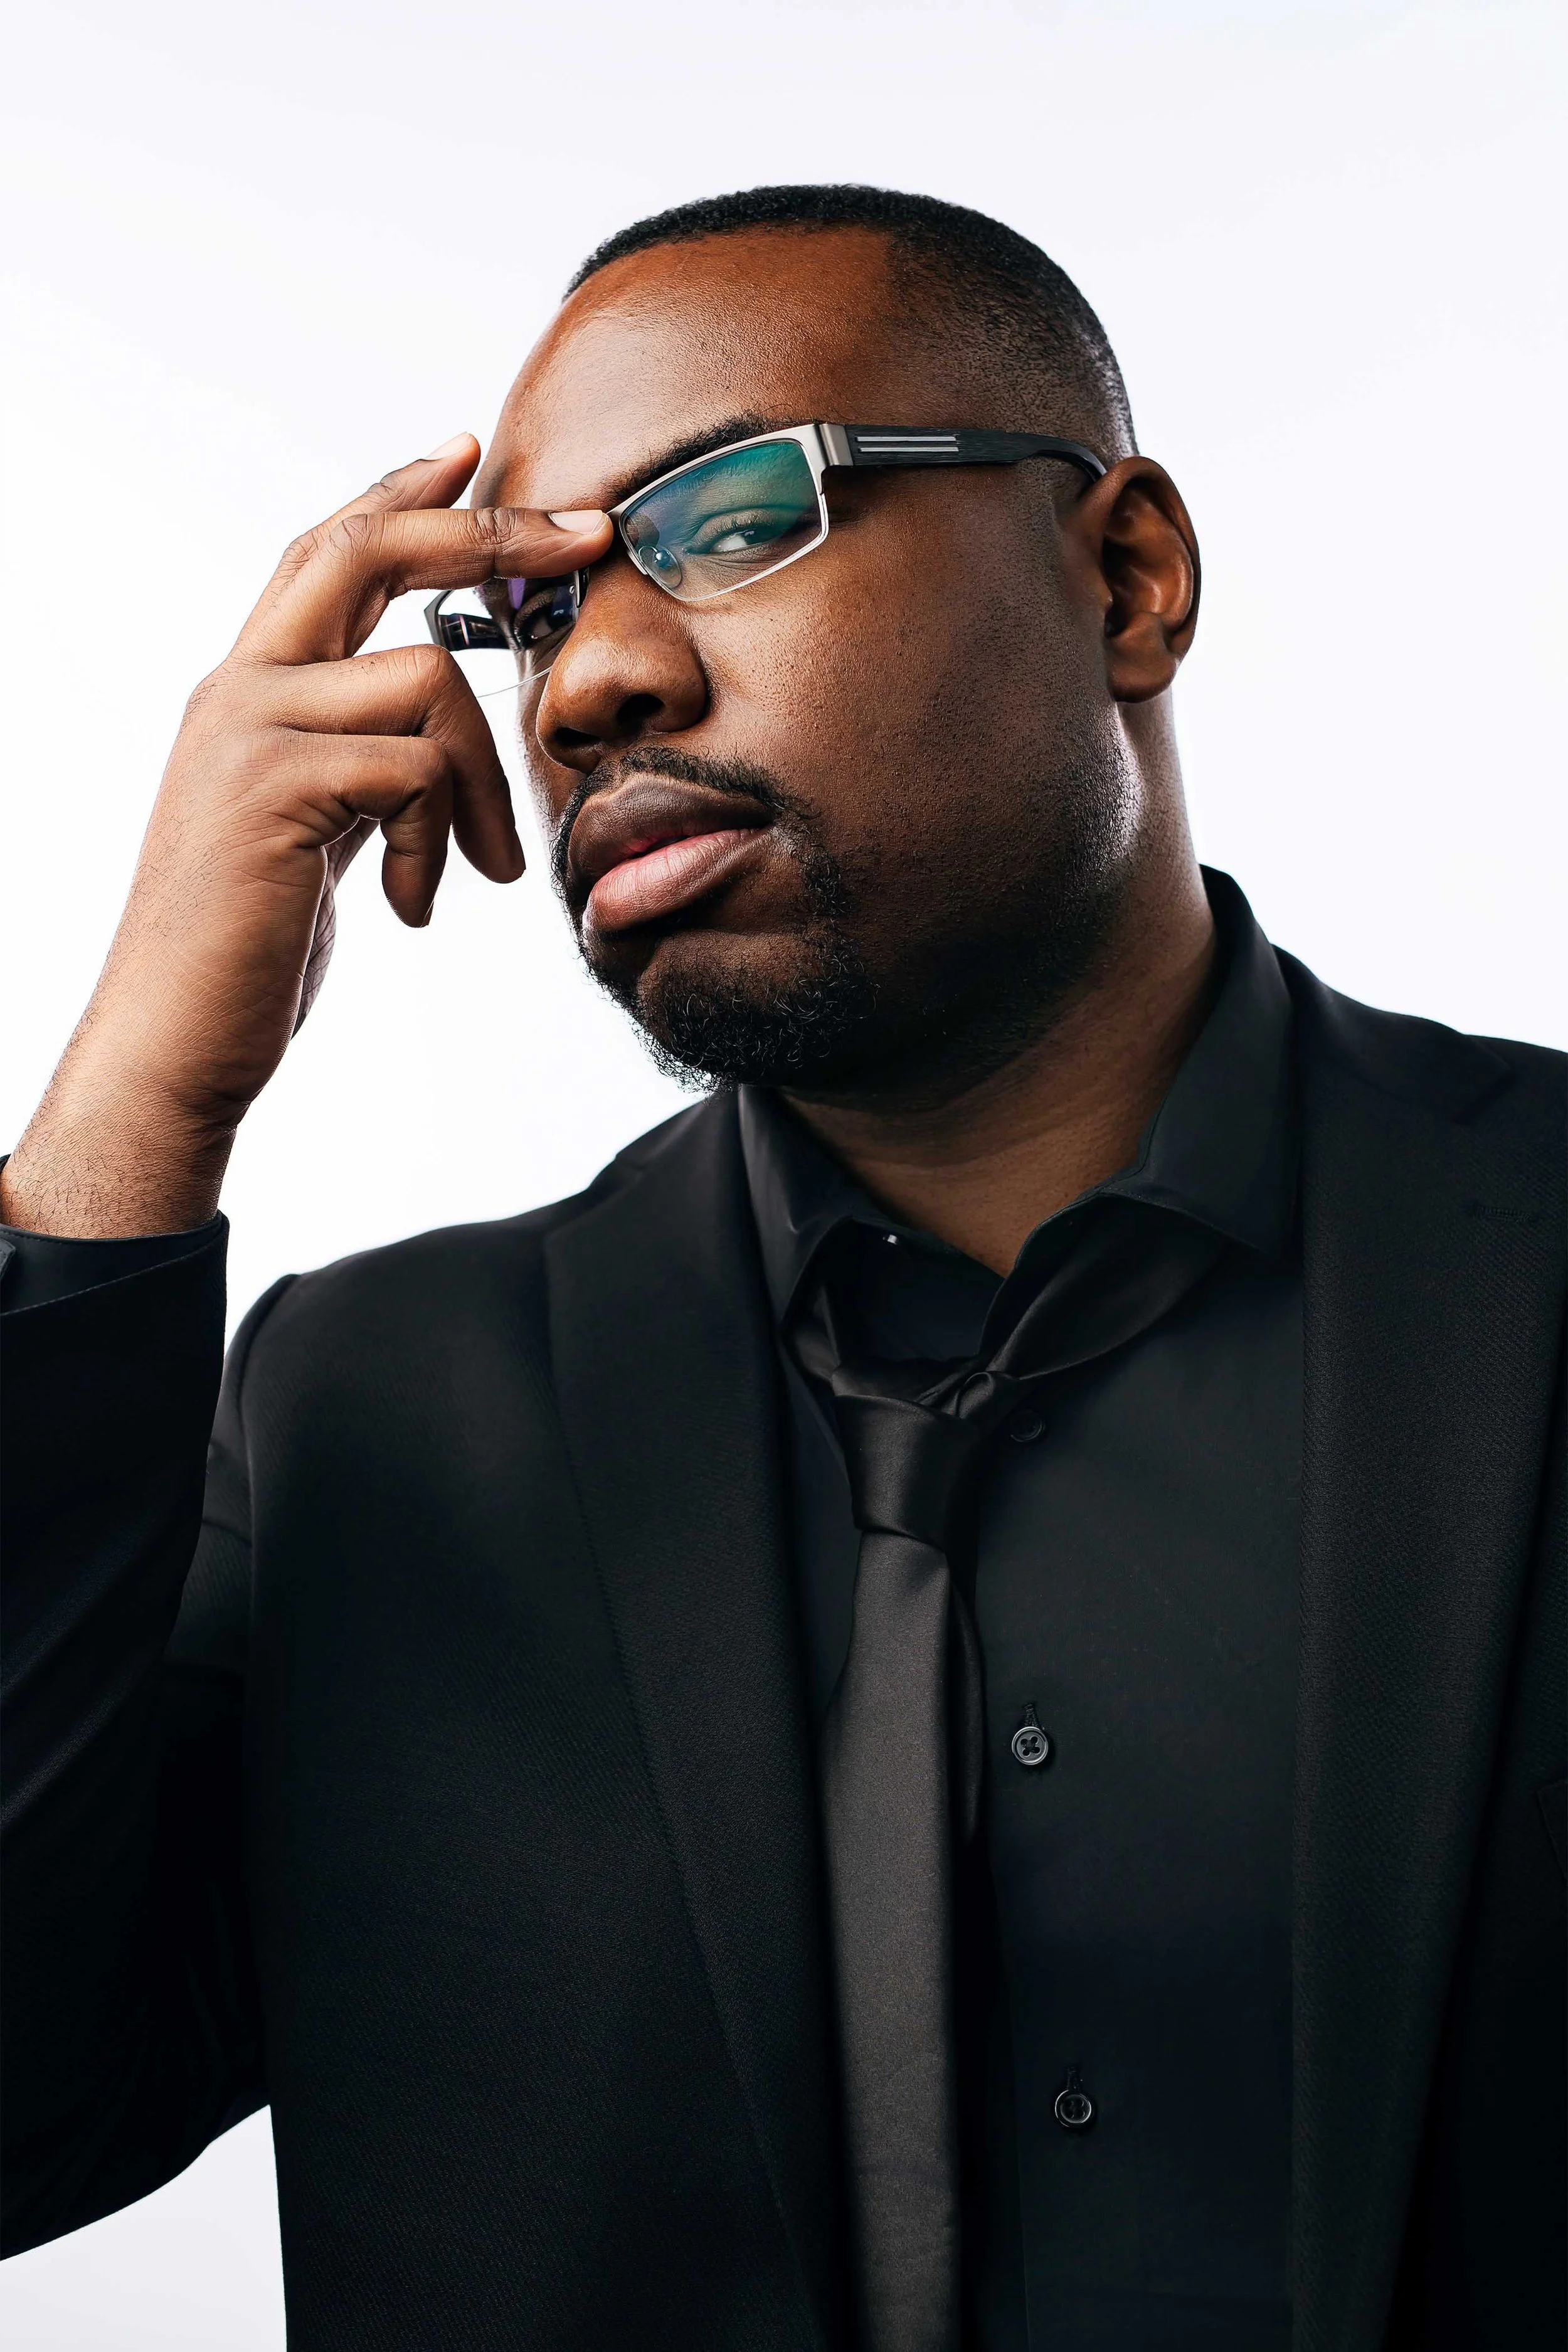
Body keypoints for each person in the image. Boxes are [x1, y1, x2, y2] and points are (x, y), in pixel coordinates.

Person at [1, 184, 1561, 2352]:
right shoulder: (363, 1415)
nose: (590, 682)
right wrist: (124, 1126)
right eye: (530, 609)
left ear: (1125, 578)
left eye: (733, 519)